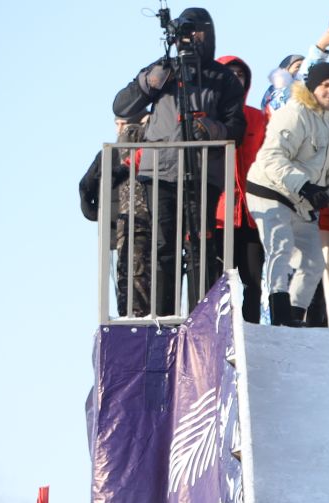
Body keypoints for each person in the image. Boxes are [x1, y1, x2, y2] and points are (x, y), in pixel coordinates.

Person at [110, 7, 247, 316]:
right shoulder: (163, 70)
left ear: (208, 34)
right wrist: (151, 81)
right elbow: (121, 106)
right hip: (159, 173)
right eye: (186, 32)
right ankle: (166, 318)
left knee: (201, 248)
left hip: (202, 174)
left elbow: (237, 128)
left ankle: (201, 319)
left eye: (196, 31)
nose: (190, 37)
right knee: (163, 249)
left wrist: (210, 130)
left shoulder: (223, 78)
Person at [245, 62, 329, 328]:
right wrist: (304, 185)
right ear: (312, 88)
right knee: (279, 247)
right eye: (325, 85)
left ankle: (293, 314)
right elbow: (271, 157)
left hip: (302, 201)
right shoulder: (294, 113)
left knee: (313, 261)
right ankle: (278, 309)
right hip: (270, 189)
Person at [81, 114, 154, 318]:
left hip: (124, 232)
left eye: (123, 124)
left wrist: (98, 214)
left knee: (128, 285)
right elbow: (86, 187)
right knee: (133, 285)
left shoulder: (109, 154)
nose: (119, 130)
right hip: (128, 232)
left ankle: (130, 319)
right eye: (117, 124)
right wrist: (99, 214)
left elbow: (85, 187)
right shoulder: (112, 154)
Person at [213, 55, 268, 324]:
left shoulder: (258, 118)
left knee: (253, 280)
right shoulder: (209, 116)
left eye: (241, 74)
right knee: (219, 283)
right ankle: (221, 329)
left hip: (251, 212)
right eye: (229, 73)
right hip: (219, 214)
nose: (236, 78)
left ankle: (252, 331)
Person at [261, 20, 329, 113]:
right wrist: (320, 46)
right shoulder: (275, 96)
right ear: (284, 71)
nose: (301, 70)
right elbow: (302, 79)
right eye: (298, 66)